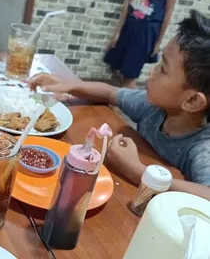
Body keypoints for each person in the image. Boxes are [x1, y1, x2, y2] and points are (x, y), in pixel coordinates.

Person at [29, 10, 210, 200]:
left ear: (192, 101)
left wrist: (139, 172)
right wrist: (71, 85)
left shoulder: (202, 148)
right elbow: (110, 93)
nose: (151, 73)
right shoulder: (154, 108)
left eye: (163, 69)